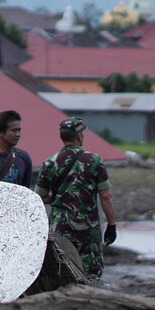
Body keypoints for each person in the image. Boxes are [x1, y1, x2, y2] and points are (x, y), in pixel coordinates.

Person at [34, 117, 117, 283]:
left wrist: (57, 198)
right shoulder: (94, 161)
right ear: (79, 136)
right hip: (88, 230)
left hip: (61, 229)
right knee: (91, 275)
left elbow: (38, 198)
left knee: (63, 272)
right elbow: (105, 196)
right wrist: (111, 225)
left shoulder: (50, 163)